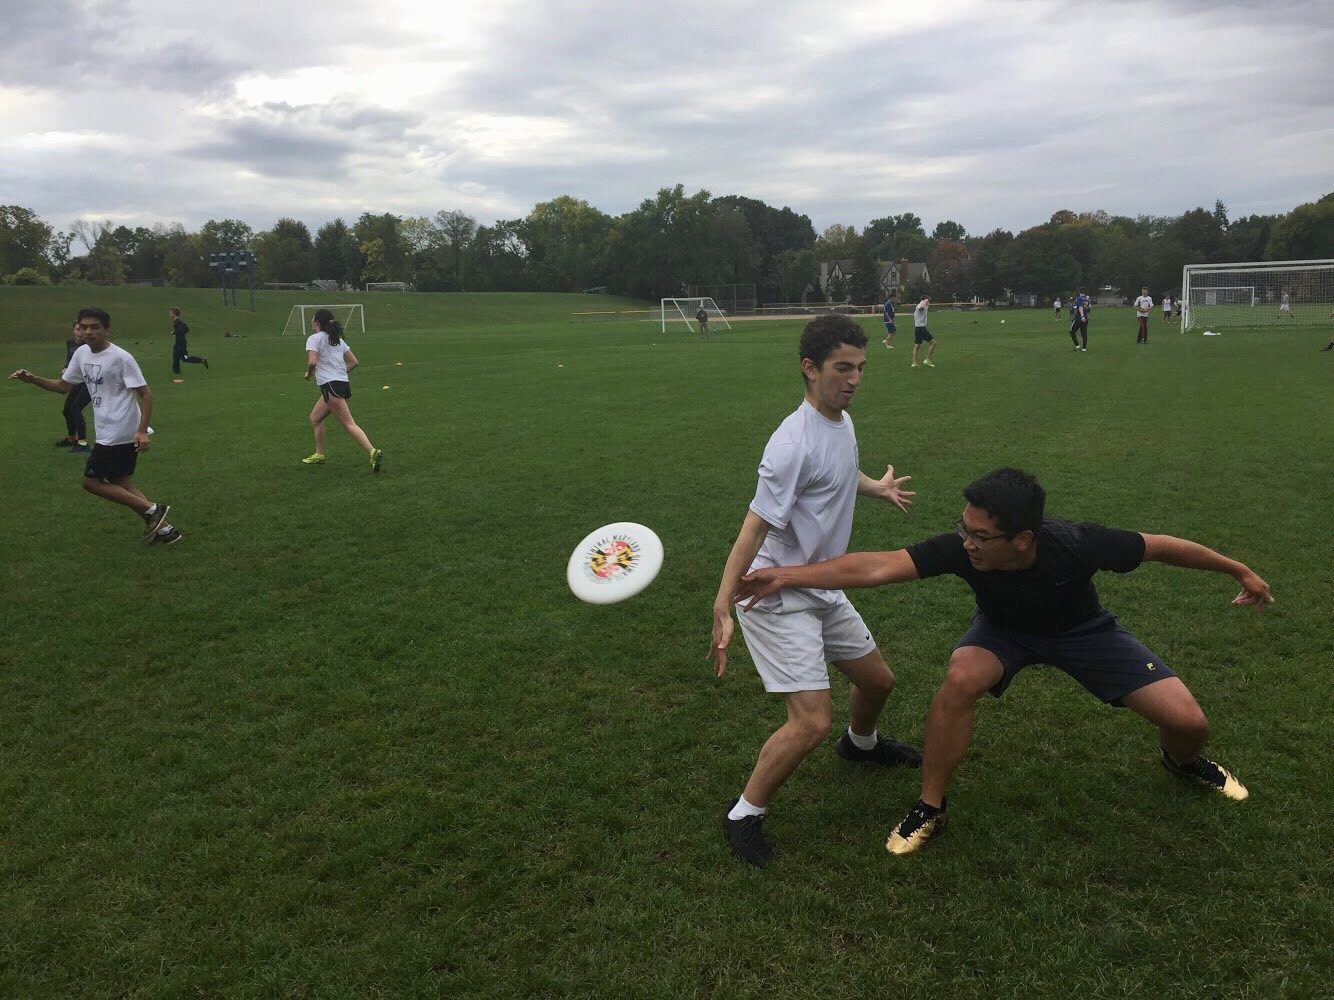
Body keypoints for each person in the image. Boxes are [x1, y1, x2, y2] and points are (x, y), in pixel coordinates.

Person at [735, 467, 1272, 856]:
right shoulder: (962, 547)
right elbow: (878, 567)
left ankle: (1178, 762)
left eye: (980, 536)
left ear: (1023, 540)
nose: (966, 542)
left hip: (1083, 633)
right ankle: (930, 806)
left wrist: (1239, 571)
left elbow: (1164, 547)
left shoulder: (1079, 543)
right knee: (960, 679)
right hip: (1004, 633)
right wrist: (785, 575)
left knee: (1190, 723)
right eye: (963, 528)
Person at [709, 313, 921, 867]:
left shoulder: (841, 422)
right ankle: (744, 814)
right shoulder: (791, 443)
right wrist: (721, 603)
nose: (854, 380)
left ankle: (862, 745)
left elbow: (837, 473)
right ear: (810, 369)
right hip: (774, 593)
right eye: (842, 369)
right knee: (810, 722)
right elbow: (754, 525)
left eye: (860, 368)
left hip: (822, 582)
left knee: (878, 682)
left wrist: (875, 487)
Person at [9, 307, 181, 544]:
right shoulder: (81, 354)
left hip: (120, 430)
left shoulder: (121, 358)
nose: (88, 331)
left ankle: (154, 510)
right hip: (106, 428)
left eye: (95, 327)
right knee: (120, 483)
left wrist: (142, 431)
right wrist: (33, 379)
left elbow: (146, 395)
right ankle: (165, 530)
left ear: (107, 330)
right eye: (84, 327)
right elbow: (63, 386)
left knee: (91, 482)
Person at [302, 307, 383, 471]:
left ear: (317, 322)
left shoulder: (314, 338)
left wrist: (309, 374)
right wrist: (339, 373)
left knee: (349, 424)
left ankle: (372, 451)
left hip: (330, 386)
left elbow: (312, 362)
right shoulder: (337, 339)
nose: (311, 321)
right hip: (341, 385)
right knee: (315, 418)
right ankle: (319, 454)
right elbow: (354, 362)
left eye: (312, 319)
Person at [56, 320, 92, 452]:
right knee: (67, 410)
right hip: (77, 382)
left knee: (75, 408)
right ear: (73, 331)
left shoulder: (87, 346)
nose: (80, 332)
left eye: (82, 329)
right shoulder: (70, 343)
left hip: (88, 382)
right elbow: (69, 358)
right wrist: (66, 367)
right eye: (77, 329)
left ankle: (82, 443)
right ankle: (71, 438)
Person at [169, 307, 209, 376]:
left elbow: (180, 330)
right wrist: (178, 333)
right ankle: (201, 360)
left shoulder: (176, 322)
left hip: (180, 343)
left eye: (171, 313)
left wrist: (174, 332)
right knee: (181, 358)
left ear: (174, 314)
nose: (170, 314)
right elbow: (186, 329)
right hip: (182, 342)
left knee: (179, 358)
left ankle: (177, 373)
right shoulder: (180, 321)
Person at [910, 295, 936, 368]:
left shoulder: (923, 304)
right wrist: (925, 302)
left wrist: (926, 303)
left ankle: (914, 363)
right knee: (933, 343)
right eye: (928, 300)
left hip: (917, 328)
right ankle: (927, 359)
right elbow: (920, 308)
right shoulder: (922, 303)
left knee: (917, 346)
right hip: (921, 328)